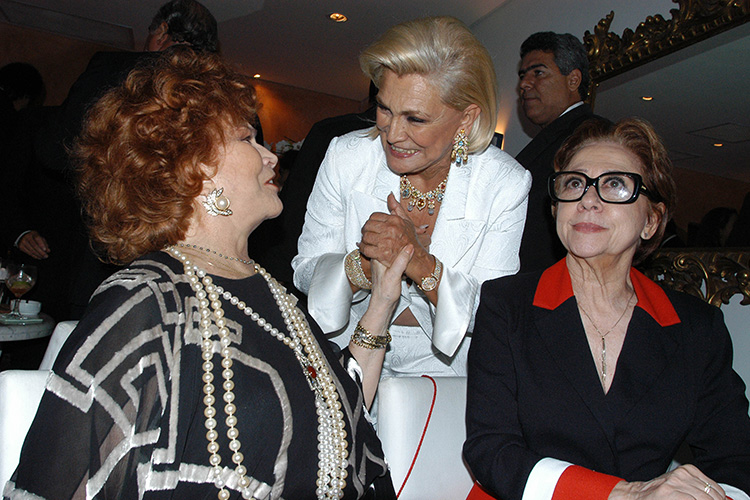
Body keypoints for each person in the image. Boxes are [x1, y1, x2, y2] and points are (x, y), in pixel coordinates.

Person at [5, 48, 402, 500]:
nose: (271, 157)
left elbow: (337, 412)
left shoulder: (274, 293)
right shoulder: (146, 298)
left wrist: (383, 300)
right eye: (247, 139)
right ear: (196, 167)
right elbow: (56, 479)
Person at [464, 117, 750, 500]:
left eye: (615, 184)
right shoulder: (506, 305)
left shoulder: (696, 327)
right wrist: (622, 494)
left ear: (651, 220)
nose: (588, 199)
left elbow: (735, 459)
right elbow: (492, 452)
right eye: (574, 183)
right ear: (556, 209)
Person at [292, 16, 531, 378]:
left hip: (451, 370)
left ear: (466, 120)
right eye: (385, 108)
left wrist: (418, 262)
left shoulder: (504, 183)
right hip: (347, 347)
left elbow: (494, 310)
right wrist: (363, 266)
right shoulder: (347, 155)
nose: (392, 133)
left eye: (415, 119)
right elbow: (305, 270)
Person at [32, 0, 219, 319]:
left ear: (162, 31)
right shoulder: (220, 92)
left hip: (111, 259)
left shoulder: (112, 70)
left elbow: (55, 150)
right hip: (199, 269)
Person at [515, 31, 606, 273]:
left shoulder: (595, 135)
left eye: (538, 72)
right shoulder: (550, 139)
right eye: (523, 75)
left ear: (573, 80)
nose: (524, 83)